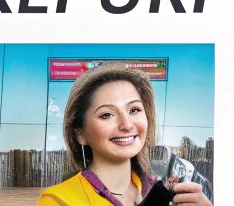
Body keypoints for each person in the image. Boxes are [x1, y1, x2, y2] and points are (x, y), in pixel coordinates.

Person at [37, 65, 213, 206]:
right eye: (107, 115)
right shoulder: (58, 200)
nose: (127, 125)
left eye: (134, 110)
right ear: (80, 134)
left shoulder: (165, 192)